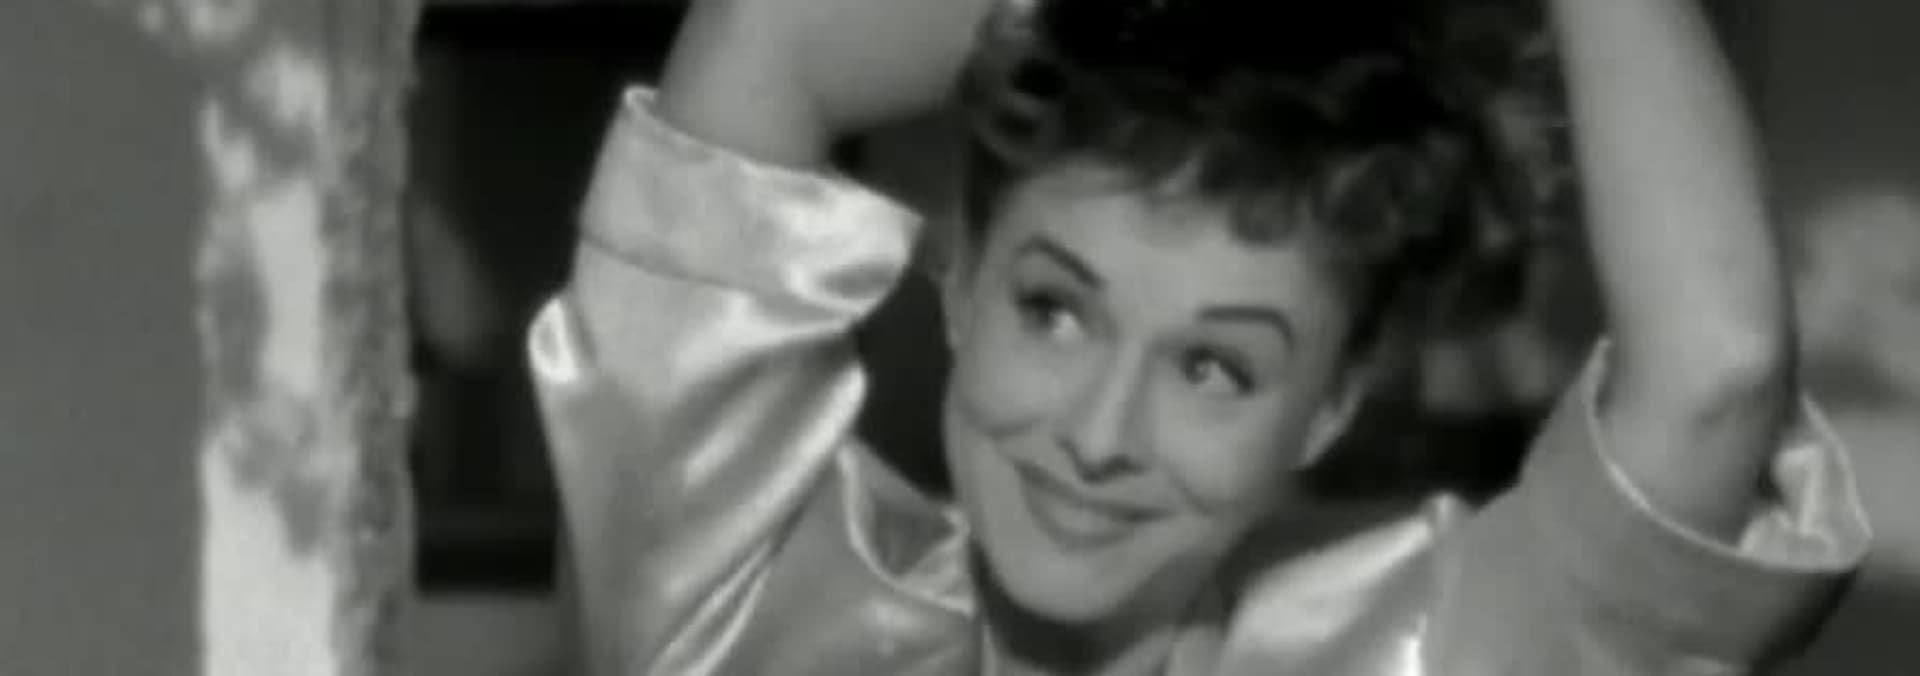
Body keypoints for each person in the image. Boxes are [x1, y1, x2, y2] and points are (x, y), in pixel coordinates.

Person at [525, 0, 1872, 672]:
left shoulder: (1401, 655)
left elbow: (1718, 372)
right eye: (1057, 310)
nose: (1100, 435)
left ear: (1329, 407)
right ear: (961, 279)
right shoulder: (744, 605)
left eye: (1215, 367)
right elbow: (767, 47)